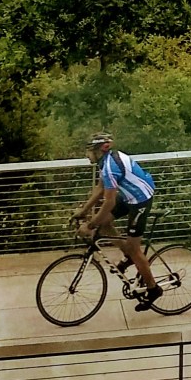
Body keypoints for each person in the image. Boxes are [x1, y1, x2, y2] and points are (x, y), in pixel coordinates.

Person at [73, 132, 162, 308]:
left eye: (88, 151)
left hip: (140, 200)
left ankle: (153, 289)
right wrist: (83, 211)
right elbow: (99, 189)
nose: (86, 155)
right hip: (129, 197)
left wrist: (90, 225)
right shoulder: (105, 162)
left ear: (99, 151)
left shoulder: (109, 166)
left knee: (135, 249)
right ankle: (128, 254)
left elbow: (109, 202)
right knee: (104, 224)